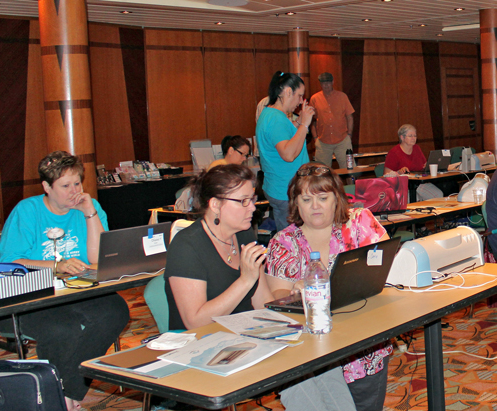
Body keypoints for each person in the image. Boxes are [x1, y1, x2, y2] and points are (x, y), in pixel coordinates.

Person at [0, 151, 130, 411]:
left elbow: (98, 257)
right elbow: (12, 262)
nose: (74, 191)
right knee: (62, 328)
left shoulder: (89, 207)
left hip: (76, 291)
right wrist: (57, 267)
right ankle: (62, 394)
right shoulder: (27, 211)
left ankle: (66, 389)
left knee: (115, 311)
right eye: (65, 186)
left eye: (77, 184)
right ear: (47, 187)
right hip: (33, 294)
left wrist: (90, 213)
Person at [266, 163, 391, 411]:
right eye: (306, 199)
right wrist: (295, 291)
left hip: (363, 346)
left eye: (323, 198)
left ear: (337, 199)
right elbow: (278, 296)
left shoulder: (359, 223)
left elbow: (384, 268)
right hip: (312, 354)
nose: (315, 206)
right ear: (295, 204)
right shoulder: (283, 242)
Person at [165, 164, 272, 331]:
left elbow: (262, 303)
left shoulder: (244, 234)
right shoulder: (186, 246)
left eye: (252, 199)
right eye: (243, 201)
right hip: (200, 345)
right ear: (215, 205)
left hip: (245, 333)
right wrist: (245, 280)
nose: (252, 207)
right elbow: (195, 322)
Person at [256, 71, 316, 231]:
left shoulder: (270, 114)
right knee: (293, 242)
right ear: (288, 91)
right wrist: (304, 125)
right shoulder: (276, 118)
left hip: (280, 187)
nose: (300, 101)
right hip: (285, 190)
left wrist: (297, 123)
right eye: (299, 95)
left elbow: (284, 138)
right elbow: (288, 154)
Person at [310, 72, 356, 169]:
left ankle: (352, 185)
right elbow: (312, 120)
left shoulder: (342, 97)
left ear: (333, 82)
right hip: (323, 142)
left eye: (328, 82)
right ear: (320, 84)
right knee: (321, 172)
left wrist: (349, 135)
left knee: (349, 169)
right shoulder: (314, 98)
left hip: (342, 140)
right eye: (323, 83)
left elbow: (350, 117)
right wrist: (315, 138)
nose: (326, 85)